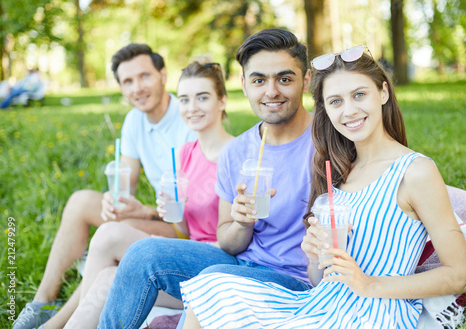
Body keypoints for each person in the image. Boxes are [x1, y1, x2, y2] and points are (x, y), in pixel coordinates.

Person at [179, 45, 466, 328]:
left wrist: (370, 284)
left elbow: (461, 275)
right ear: (326, 111)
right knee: (211, 288)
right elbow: (322, 279)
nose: (349, 111)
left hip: (371, 313)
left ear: (382, 92)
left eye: (359, 95)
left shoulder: (415, 172)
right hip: (321, 305)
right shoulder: (338, 172)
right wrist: (314, 258)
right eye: (335, 101)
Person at [96, 28, 314, 329]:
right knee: (142, 254)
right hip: (237, 264)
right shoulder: (236, 152)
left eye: (285, 78)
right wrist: (241, 223)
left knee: (213, 280)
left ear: (307, 80)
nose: (271, 91)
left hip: (293, 281)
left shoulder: (329, 143)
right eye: (259, 80)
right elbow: (228, 241)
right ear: (245, 84)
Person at [37, 56, 234, 329]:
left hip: (215, 269)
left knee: (112, 238)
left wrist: (154, 217)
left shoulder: (235, 155)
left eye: (202, 98)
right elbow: (185, 229)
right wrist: (171, 209)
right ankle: (51, 323)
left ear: (222, 100)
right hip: (185, 253)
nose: (191, 108)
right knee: (108, 276)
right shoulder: (188, 154)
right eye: (185, 100)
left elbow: (240, 239)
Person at [13, 43, 196, 329]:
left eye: (144, 76)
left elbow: (193, 215)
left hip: (186, 230)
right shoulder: (134, 120)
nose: (137, 88)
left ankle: (62, 322)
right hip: (158, 216)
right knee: (81, 201)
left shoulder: (190, 117)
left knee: (111, 241)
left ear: (163, 74)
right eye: (128, 81)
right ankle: (43, 302)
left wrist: (145, 212)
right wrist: (116, 201)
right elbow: (127, 185)